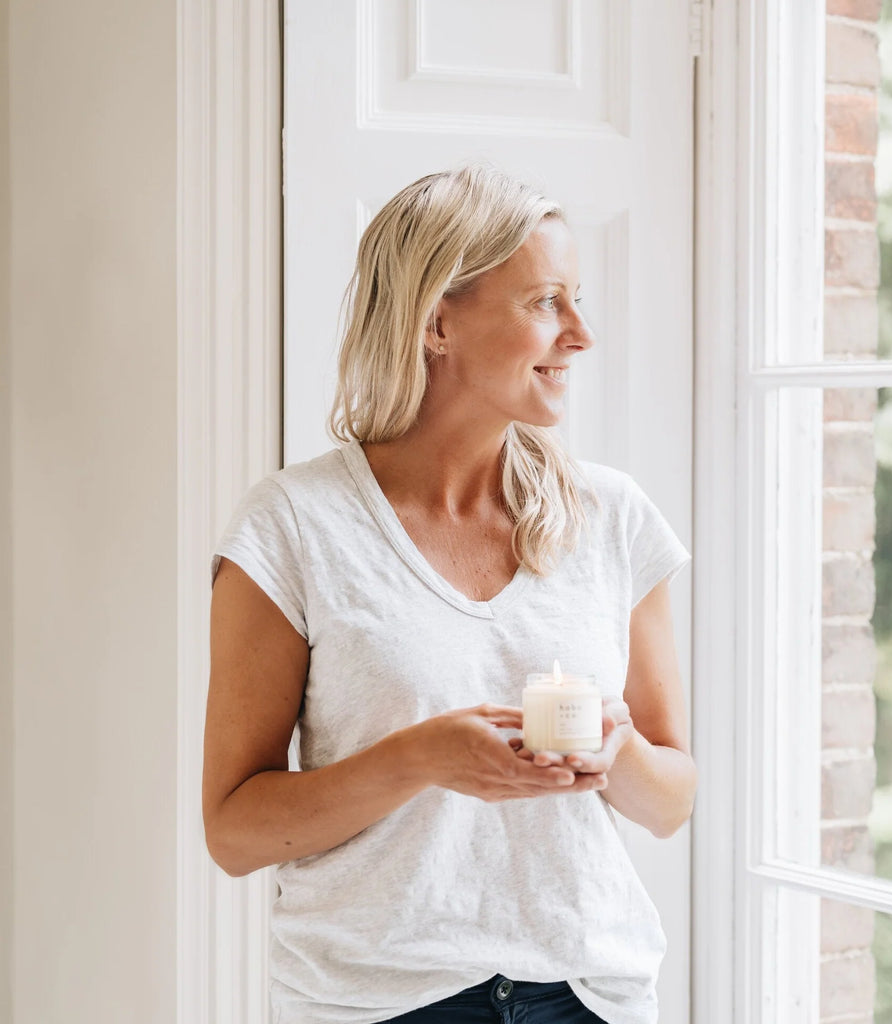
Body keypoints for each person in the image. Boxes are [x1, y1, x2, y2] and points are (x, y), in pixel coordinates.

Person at [203, 164, 698, 1024]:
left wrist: (616, 751)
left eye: (576, 299)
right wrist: (421, 758)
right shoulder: (293, 526)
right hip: (378, 1003)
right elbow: (235, 831)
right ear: (438, 321)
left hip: (587, 996)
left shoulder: (612, 518)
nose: (580, 334)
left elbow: (673, 799)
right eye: (545, 301)